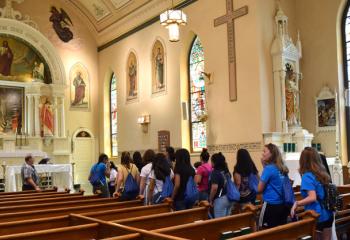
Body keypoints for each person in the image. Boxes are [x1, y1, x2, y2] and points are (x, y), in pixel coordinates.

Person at [291, 147, 333, 240]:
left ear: (303, 160)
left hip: (316, 214)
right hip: (328, 212)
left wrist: (297, 203)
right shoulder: (322, 173)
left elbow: (312, 197)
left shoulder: (307, 176)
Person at [258, 143, 290, 229]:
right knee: (279, 232)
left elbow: (259, 189)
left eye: (264, 151)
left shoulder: (269, 169)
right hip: (282, 205)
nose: (262, 154)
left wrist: (264, 168)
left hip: (270, 205)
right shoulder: (282, 167)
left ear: (271, 154)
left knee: (265, 231)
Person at [208, 152, 233, 218]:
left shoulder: (215, 172)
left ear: (215, 162)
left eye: (212, 161)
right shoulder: (226, 172)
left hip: (220, 199)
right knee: (227, 221)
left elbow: (214, 188)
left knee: (220, 223)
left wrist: (210, 199)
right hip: (229, 198)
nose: (211, 163)